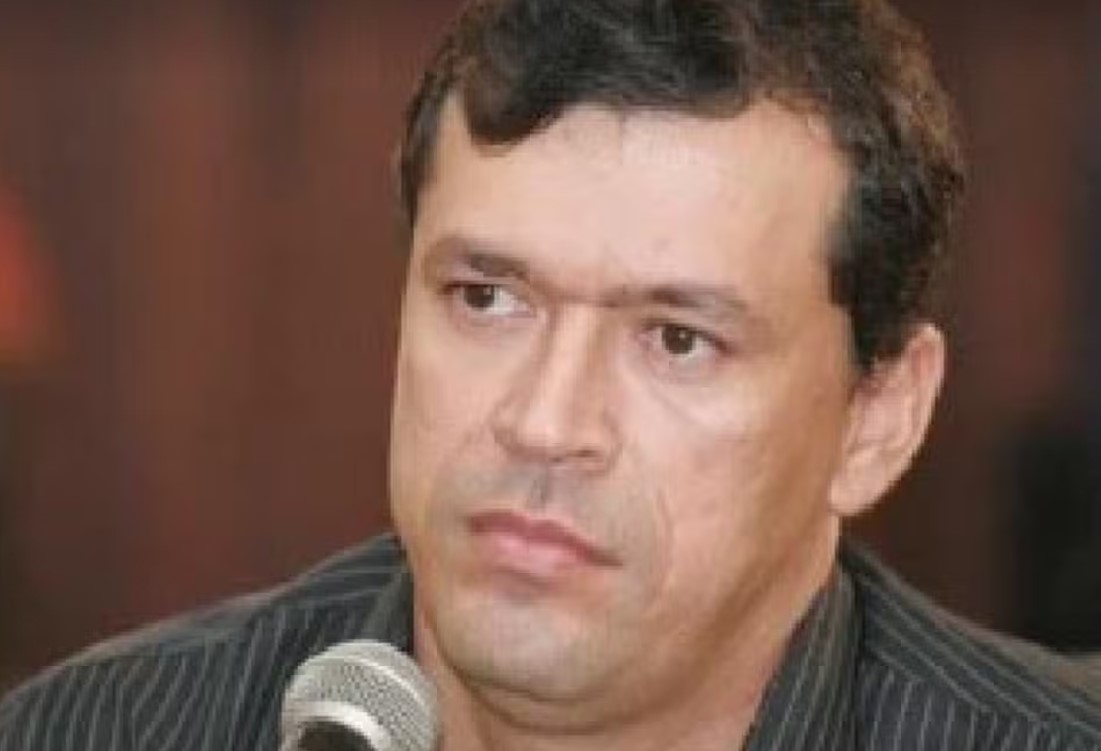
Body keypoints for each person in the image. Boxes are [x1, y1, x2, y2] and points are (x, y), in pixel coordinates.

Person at [2, 0, 1099, 749]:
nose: (542, 419)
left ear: (879, 416)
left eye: (677, 338)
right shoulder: (99, 730)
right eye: (487, 297)